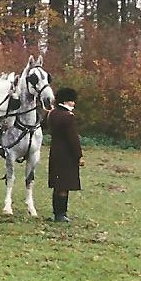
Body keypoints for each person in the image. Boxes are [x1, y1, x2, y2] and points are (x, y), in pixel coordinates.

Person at [47, 88, 83, 223]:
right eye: (71, 101)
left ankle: (57, 212)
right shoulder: (68, 117)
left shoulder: (52, 114)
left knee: (57, 185)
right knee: (64, 185)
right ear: (65, 101)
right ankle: (61, 214)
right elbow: (73, 138)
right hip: (67, 154)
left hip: (55, 152)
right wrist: (79, 155)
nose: (74, 103)